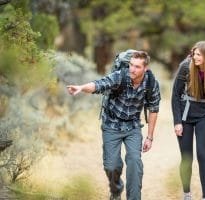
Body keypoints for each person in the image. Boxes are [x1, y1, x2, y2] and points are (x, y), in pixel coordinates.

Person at [67, 51, 161, 200]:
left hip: (133, 127)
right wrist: (81, 87)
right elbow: (99, 84)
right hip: (111, 125)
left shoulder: (151, 83)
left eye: (137, 67)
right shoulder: (120, 76)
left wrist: (150, 137)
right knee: (111, 167)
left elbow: (154, 109)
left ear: (145, 68)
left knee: (135, 162)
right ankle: (116, 191)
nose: (132, 69)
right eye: (131, 65)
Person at [171, 41, 205, 200]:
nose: (195, 57)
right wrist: (177, 122)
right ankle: (187, 194)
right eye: (194, 54)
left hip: (204, 115)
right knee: (187, 157)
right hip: (185, 115)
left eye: (198, 54)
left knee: (203, 155)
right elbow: (175, 95)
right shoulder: (185, 67)